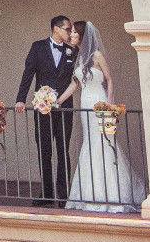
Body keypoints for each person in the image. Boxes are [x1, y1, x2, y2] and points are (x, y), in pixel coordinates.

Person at [57, 21, 145, 212]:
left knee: (104, 144)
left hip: (99, 102)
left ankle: (110, 194)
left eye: (73, 32)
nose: (71, 35)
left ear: (81, 34)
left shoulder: (97, 55)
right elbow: (74, 85)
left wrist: (110, 103)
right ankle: (89, 193)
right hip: (85, 104)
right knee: (90, 144)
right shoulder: (79, 57)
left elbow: (109, 79)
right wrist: (57, 101)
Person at [15, 15, 77, 205]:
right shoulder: (38, 47)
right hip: (42, 107)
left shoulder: (72, 51)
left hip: (64, 108)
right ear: (56, 29)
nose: (69, 32)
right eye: (67, 29)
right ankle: (47, 193)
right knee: (44, 149)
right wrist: (20, 100)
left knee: (62, 150)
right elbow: (28, 74)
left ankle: (64, 193)